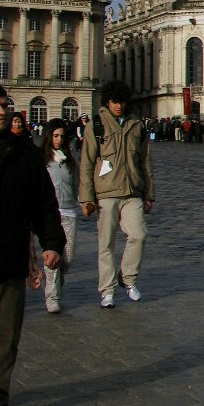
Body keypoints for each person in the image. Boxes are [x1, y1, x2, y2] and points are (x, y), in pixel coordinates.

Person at [0, 84, 66, 406]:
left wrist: (51, 242)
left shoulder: (24, 153)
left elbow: (44, 202)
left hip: (8, 259)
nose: (1, 111)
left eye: (3, 105)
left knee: (5, 341)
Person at [79, 80, 155, 309]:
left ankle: (128, 278)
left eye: (122, 101)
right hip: (106, 191)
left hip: (132, 190)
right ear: (107, 102)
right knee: (106, 244)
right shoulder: (96, 125)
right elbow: (86, 163)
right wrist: (86, 198)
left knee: (139, 235)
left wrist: (149, 194)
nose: (119, 106)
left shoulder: (137, 125)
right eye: (114, 102)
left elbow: (145, 162)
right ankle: (107, 290)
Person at [40, 118, 80, 314]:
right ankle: (52, 296)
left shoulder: (70, 161)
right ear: (49, 137)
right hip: (50, 213)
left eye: (62, 136)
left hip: (69, 211)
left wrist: (85, 201)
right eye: (55, 136)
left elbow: (77, 185)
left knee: (68, 257)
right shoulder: (42, 161)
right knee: (53, 255)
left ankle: (56, 284)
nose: (59, 140)